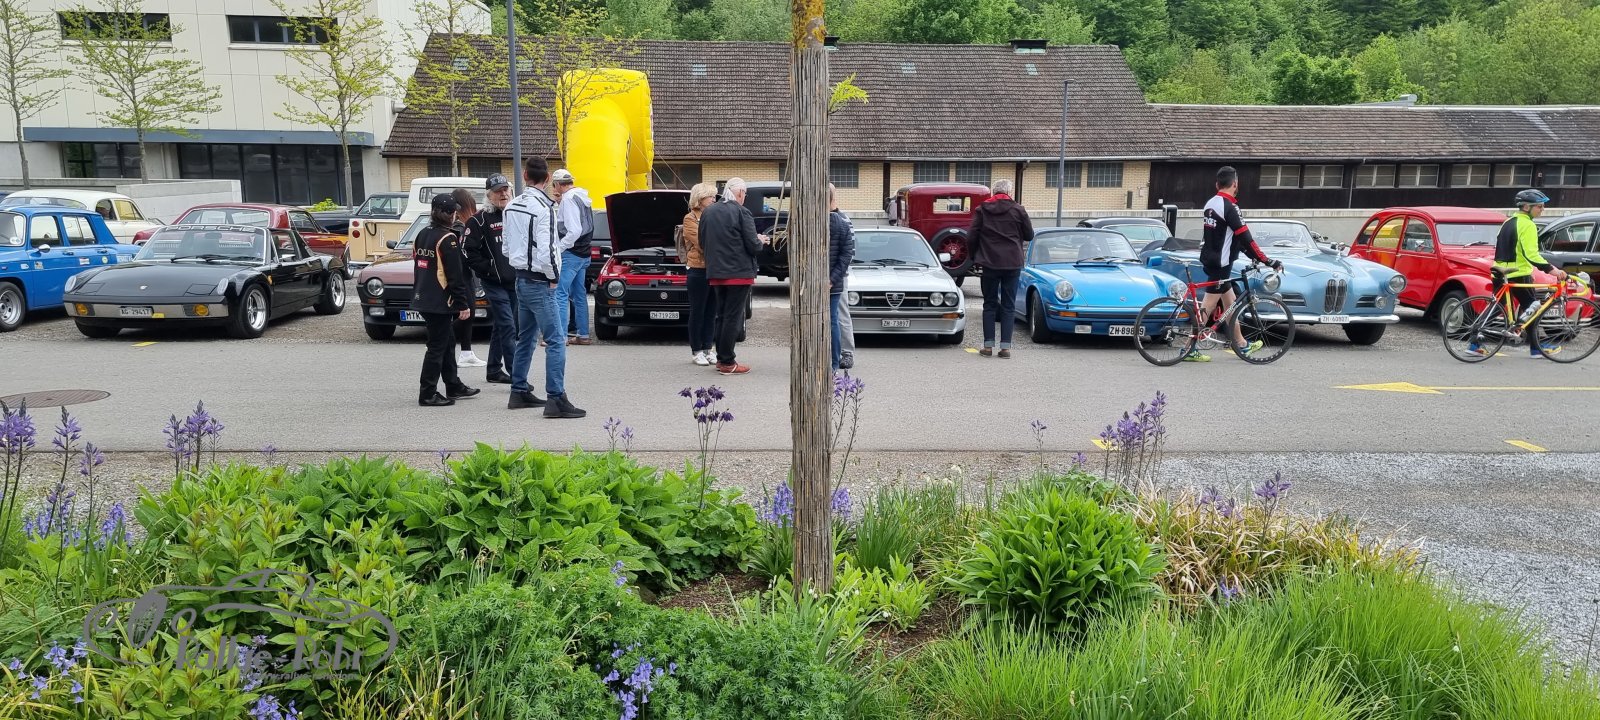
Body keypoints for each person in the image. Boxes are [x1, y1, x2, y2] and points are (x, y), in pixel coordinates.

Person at [504, 157, 586, 418]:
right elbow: (548, 249)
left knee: (526, 337)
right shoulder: (544, 209)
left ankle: (518, 390)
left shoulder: (511, 206)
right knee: (556, 340)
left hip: (520, 278)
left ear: (525, 175)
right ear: (548, 178)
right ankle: (556, 398)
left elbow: (506, 247)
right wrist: (554, 276)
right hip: (539, 281)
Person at [1189, 166, 1283, 363]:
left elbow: (1230, 237)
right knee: (1208, 306)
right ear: (1235, 184)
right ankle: (1189, 348)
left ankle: (1241, 343)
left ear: (1217, 184)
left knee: (1230, 304)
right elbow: (1245, 238)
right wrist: (1267, 260)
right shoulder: (1230, 207)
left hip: (1212, 259)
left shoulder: (1210, 203)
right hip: (1221, 264)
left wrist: (1251, 256)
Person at [410, 193, 480, 407]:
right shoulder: (448, 239)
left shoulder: (422, 234)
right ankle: (427, 393)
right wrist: (462, 303)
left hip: (423, 296)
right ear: (451, 214)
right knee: (437, 347)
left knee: (447, 342)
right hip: (440, 300)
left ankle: (453, 384)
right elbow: (454, 275)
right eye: (454, 212)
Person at [1482, 188, 1566, 357]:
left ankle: (1474, 343)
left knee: (1497, 308)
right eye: (1539, 206)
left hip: (1500, 272)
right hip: (1518, 273)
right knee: (1533, 308)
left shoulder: (1508, 221)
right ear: (1527, 207)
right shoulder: (1528, 225)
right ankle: (1536, 348)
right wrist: (1552, 270)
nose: (1542, 209)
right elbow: (1531, 254)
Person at [699, 177, 767, 375]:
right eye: (745, 194)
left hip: (716, 273)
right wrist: (760, 240)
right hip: (738, 273)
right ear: (740, 193)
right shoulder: (741, 212)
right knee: (733, 318)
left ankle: (722, 359)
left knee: (721, 316)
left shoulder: (708, 212)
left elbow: (702, 242)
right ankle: (728, 361)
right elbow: (753, 246)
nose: (745, 197)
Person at [968, 179, 1033, 359]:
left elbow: (972, 236)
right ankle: (1005, 348)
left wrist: (974, 257)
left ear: (993, 192)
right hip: (1012, 263)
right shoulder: (1019, 210)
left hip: (989, 262)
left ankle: (988, 346)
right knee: (1008, 305)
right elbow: (1029, 235)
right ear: (1009, 192)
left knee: (989, 304)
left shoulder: (982, 210)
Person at [463, 174, 517, 383]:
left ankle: (494, 370)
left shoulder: (515, 214)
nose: (503, 194)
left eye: (505, 189)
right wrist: (488, 269)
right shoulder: (478, 220)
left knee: (503, 325)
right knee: (508, 326)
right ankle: (517, 375)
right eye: (498, 191)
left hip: (515, 280)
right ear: (488, 195)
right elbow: (468, 251)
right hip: (493, 282)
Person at [551, 169, 595, 345]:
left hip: (571, 254)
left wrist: (560, 248)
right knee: (579, 294)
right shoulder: (581, 196)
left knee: (560, 294)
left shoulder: (568, 199)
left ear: (557, 184)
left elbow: (574, 230)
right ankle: (583, 335)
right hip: (584, 253)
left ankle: (561, 336)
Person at [449, 189, 487, 368]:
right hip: (463, 275)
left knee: (467, 314)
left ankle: (466, 352)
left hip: (461, 275)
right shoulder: (459, 228)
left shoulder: (453, 226)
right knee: (467, 312)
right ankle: (440, 338)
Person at [682, 182, 718, 365]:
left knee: (711, 311)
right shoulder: (690, 218)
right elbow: (702, 242)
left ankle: (708, 348)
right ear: (700, 198)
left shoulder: (714, 215)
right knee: (698, 311)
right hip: (697, 269)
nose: (714, 199)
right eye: (710, 196)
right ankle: (696, 350)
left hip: (714, 269)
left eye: (714, 196)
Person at [828, 183, 855, 372]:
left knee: (840, 315)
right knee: (835, 317)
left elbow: (848, 252)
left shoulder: (843, 220)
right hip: (836, 275)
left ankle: (847, 352)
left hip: (839, 277)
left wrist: (835, 277)